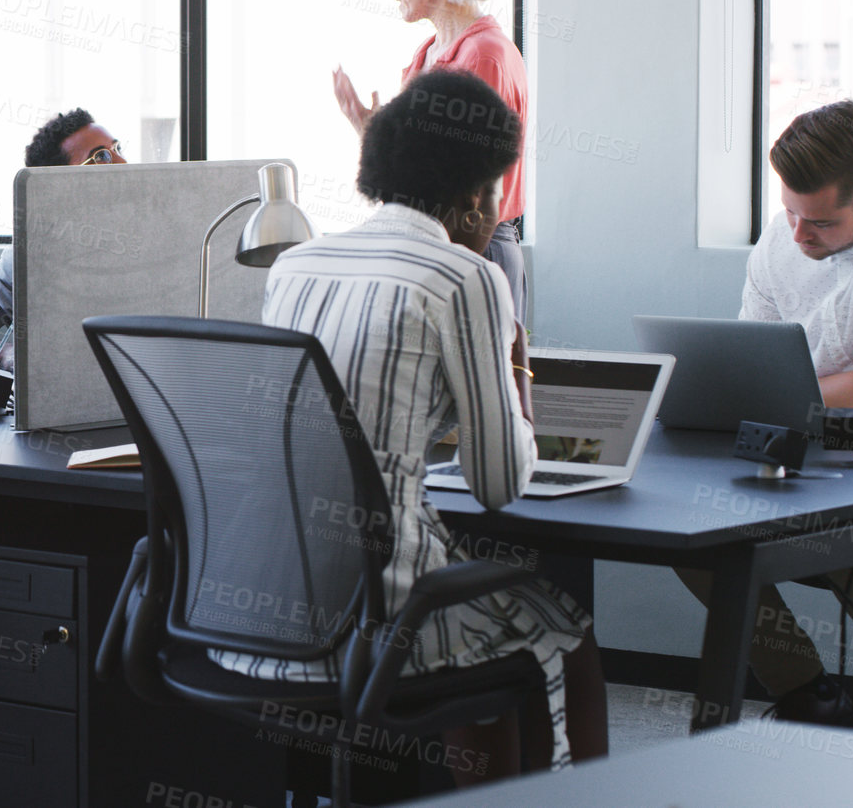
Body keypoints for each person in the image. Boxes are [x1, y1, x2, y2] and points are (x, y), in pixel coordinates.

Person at [222, 69, 606, 778]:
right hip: (379, 609)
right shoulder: (468, 278)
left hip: (254, 602)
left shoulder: (296, 266)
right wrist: (516, 369)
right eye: (496, 192)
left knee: (480, 617)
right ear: (471, 196)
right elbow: (498, 485)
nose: (497, 213)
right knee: (562, 638)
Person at [677, 100, 853, 726]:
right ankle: (810, 698)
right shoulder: (785, 233)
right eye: (788, 211)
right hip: (810, 444)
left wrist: (769, 396)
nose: (796, 235)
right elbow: (749, 364)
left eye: (818, 221)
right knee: (691, 536)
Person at [329, 0, 532, 322]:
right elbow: (420, 181)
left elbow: (469, 198)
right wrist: (371, 135)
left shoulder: (482, 56)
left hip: (473, 249)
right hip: (430, 244)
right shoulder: (426, 55)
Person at [0, 108, 126, 369]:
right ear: (57, 184)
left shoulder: (163, 233)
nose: (121, 162)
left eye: (117, 148)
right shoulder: (34, 251)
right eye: (101, 156)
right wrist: (8, 353)